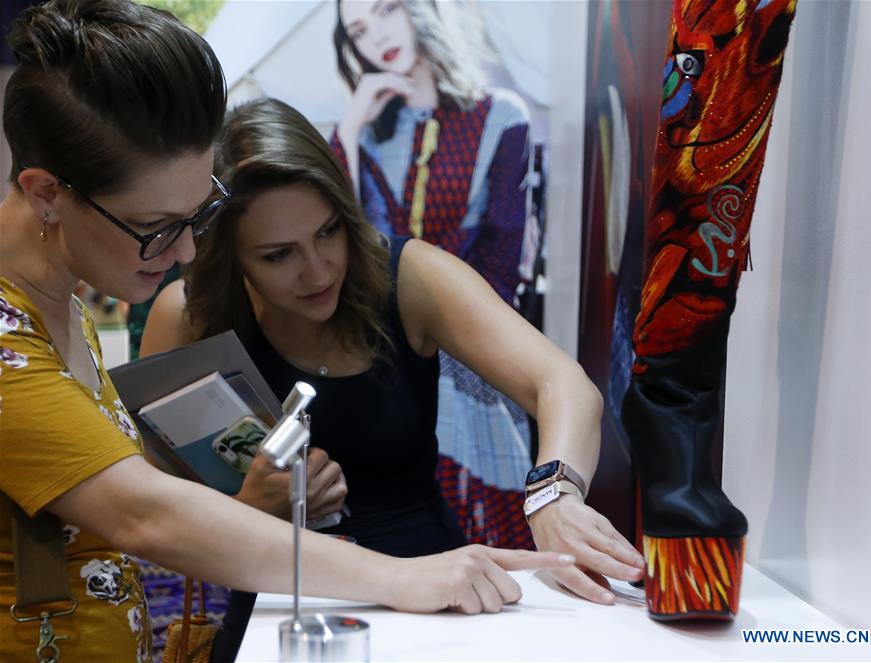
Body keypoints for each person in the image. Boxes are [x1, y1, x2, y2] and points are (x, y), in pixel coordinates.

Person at [0, 2, 574, 662]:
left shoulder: (57, 300)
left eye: (198, 216)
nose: (186, 252)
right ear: (46, 193)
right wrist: (401, 575)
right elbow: (145, 512)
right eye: (156, 227)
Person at [142, 96, 645, 653]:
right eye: (279, 255)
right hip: (283, 607)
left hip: (440, 591)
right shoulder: (190, 317)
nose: (318, 270)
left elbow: (562, 383)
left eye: (329, 231)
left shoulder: (408, 276)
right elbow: (153, 510)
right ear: (230, 256)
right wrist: (250, 510)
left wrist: (553, 494)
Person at [331, 0, 537, 548]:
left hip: (474, 348)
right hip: (383, 352)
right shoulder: (368, 133)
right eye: (358, 30)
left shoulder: (500, 117)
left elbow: (503, 261)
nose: (377, 36)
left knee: (487, 531)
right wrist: (348, 130)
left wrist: (448, 341)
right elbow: (342, 248)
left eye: (387, 10)